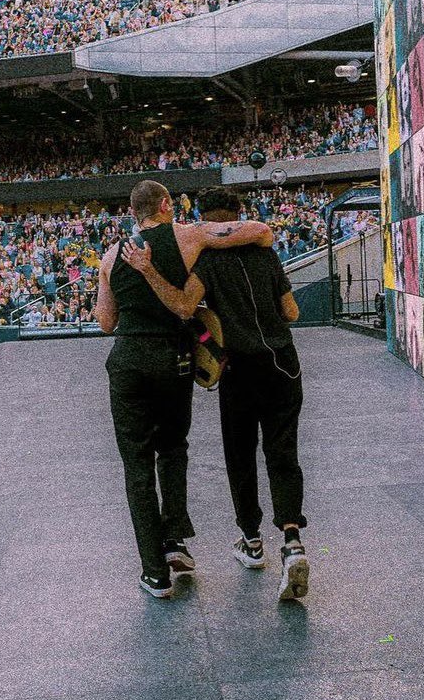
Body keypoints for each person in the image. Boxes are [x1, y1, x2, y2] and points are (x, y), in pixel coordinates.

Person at [121, 186, 310, 602]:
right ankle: (292, 540)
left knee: (240, 456)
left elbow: (184, 307)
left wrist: (151, 273)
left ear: (207, 217)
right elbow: (292, 312)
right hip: (283, 363)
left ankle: (252, 540)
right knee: (283, 453)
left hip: (240, 369)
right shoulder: (267, 254)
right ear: (237, 216)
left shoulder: (206, 260)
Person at [93, 179, 274, 600]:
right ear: (165, 204)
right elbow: (261, 232)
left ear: (133, 213)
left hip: (127, 362)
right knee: (172, 447)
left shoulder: (109, 255)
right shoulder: (189, 235)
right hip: (171, 359)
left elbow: (105, 322)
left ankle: (155, 572)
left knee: (136, 464)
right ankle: (175, 542)